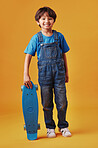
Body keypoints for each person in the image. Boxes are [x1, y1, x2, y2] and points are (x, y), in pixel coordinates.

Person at [23, 6, 71, 138]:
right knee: (46, 103)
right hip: (44, 76)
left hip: (59, 74)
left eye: (50, 18)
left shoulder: (59, 37)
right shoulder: (36, 38)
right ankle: (50, 127)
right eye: (43, 18)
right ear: (38, 22)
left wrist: (66, 72)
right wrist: (25, 74)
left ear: (54, 21)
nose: (46, 21)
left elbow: (63, 55)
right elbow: (28, 55)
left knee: (62, 102)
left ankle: (63, 126)